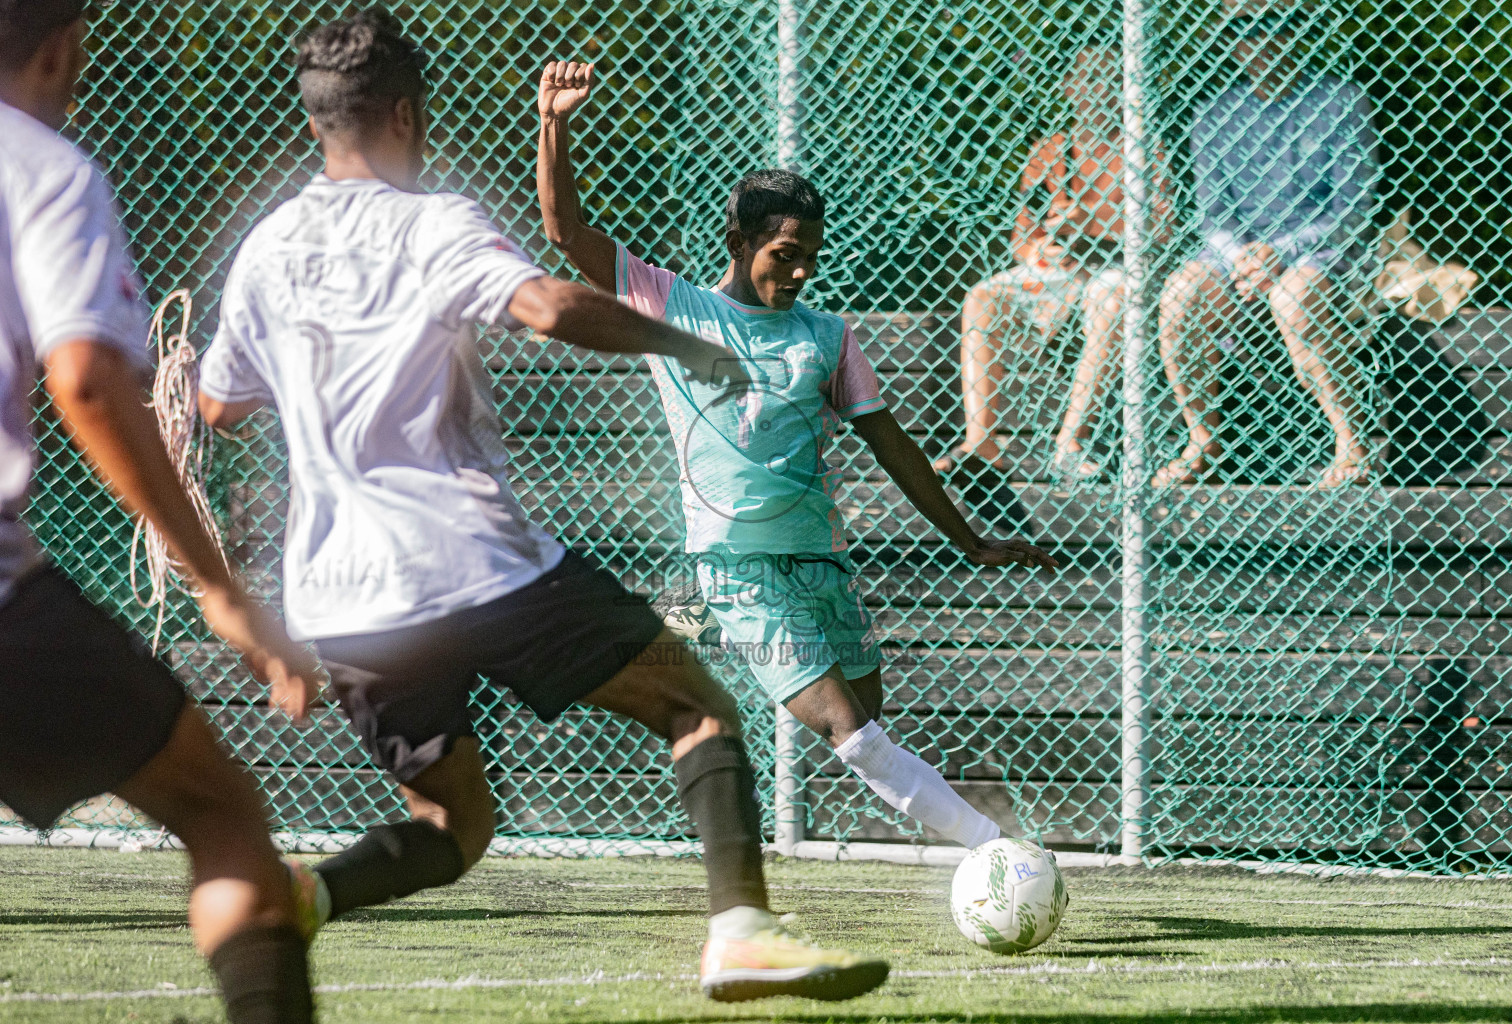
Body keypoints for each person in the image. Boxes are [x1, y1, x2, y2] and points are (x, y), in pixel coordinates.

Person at [196, 9, 887, 1004]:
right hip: (474, 562)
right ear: (401, 112)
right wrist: (692, 347)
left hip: (344, 601)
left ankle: (301, 895)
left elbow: (219, 402)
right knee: (697, 705)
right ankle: (741, 930)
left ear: (318, 120)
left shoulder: (263, 252)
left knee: (452, 827)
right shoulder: (430, 220)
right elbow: (549, 306)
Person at [537, 62, 1059, 854]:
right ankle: (1001, 851)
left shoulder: (828, 335)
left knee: (871, 729)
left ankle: (971, 832)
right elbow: (564, 232)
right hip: (738, 567)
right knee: (853, 735)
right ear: (738, 242)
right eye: (784, 253)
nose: (801, 270)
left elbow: (894, 444)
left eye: (811, 254)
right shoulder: (672, 304)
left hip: (822, 563)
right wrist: (555, 123)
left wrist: (968, 538)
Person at [0, 3, 321, 1021]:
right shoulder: (44, 168)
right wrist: (219, 589)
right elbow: (88, 378)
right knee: (221, 809)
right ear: (59, 48)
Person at [1155, 0, 1380, 488]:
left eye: (1279, 24)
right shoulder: (1213, 116)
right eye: (1246, 27)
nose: (1264, 38)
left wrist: (1280, 252)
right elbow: (1212, 214)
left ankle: (1353, 444)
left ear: (1299, 31)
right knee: (1179, 297)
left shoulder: (1340, 101)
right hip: (1237, 258)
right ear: (1230, 39)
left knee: (1295, 298)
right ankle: (1202, 442)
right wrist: (1244, 257)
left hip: (1319, 253)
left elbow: (1353, 209)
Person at [936, 42, 1167, 487]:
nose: (1100, 89)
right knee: (984, 294)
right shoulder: (1050, 151)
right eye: (1089, 78)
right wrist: (1042, 250)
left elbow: (1160, 234)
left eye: (1111, 78)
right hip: (1055, 272)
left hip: (1112, 269)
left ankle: (1071, 442)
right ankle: (981, 443)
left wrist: (1094, 235)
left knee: (1113, 291)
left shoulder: (1144, 149)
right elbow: (1022, 237)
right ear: (1069, 87)